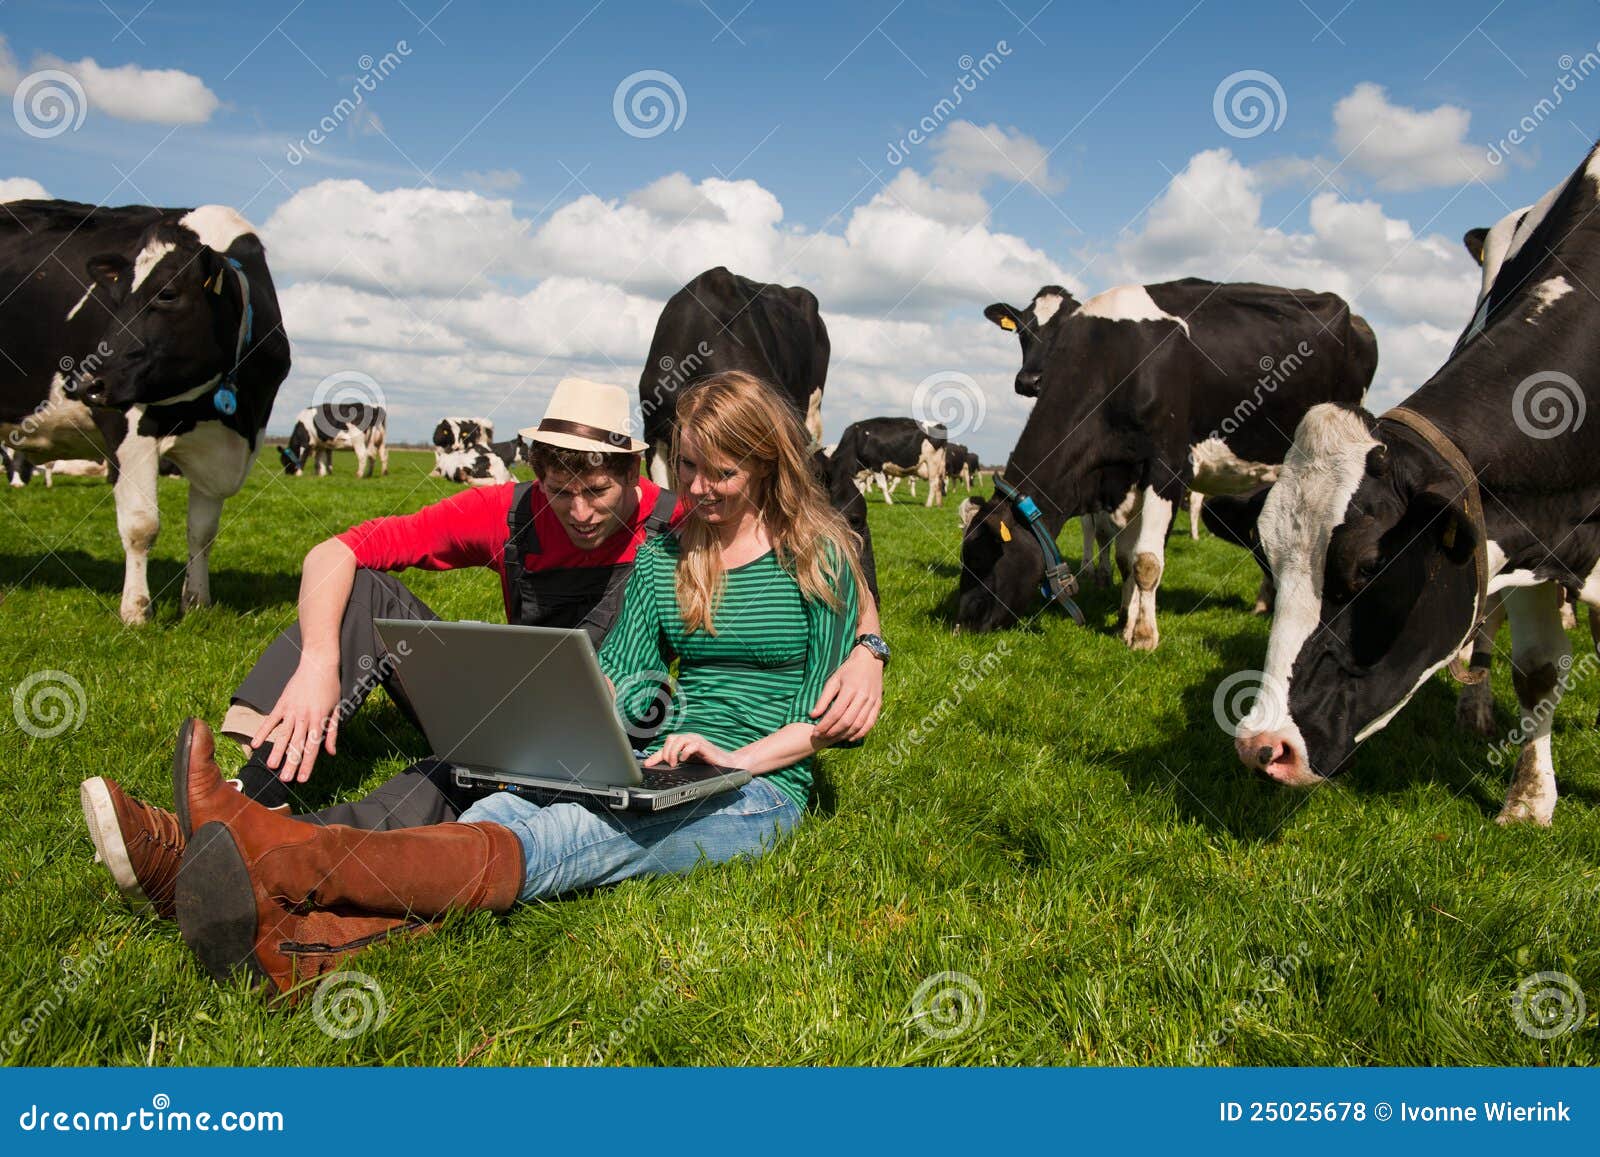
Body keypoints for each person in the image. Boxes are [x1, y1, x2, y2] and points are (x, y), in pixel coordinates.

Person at [91, 370, 877, 998]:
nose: (699, 487)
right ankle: (290, 913)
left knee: (561, 836)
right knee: (499, 801)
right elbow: (626, 674)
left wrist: (862, 654)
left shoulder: (765, 542)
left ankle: (262, 853)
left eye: (721, 472)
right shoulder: (666, 551)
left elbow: (831, 700)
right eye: (692, 467)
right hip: (629, 748)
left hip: (758, 783)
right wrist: (590, 725)